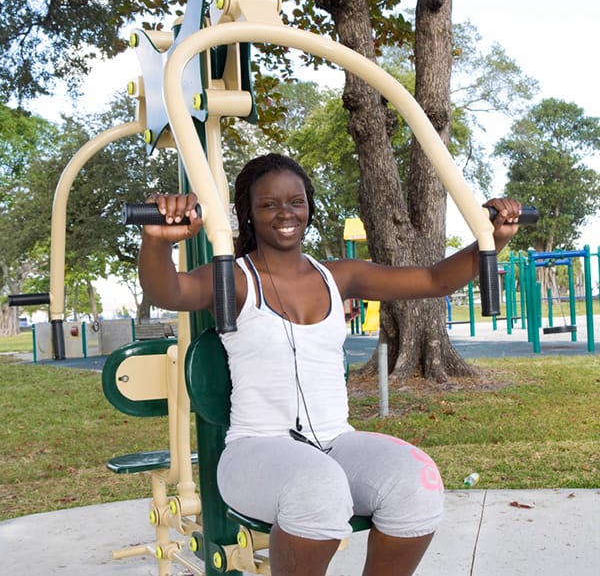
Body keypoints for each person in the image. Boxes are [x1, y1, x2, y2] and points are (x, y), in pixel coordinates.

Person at [138, 153, 522, 576]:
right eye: (268, 205)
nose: (285, 213)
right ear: (248, 213)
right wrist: (157, 243)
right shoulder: (233, 278)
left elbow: (435, 280)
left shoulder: (338, 276)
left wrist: (494, 239)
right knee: (317, 487)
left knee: (417, 481)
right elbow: (168, 292)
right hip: (255, 451)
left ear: (309, 207)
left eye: (295, 201)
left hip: (335, 441)